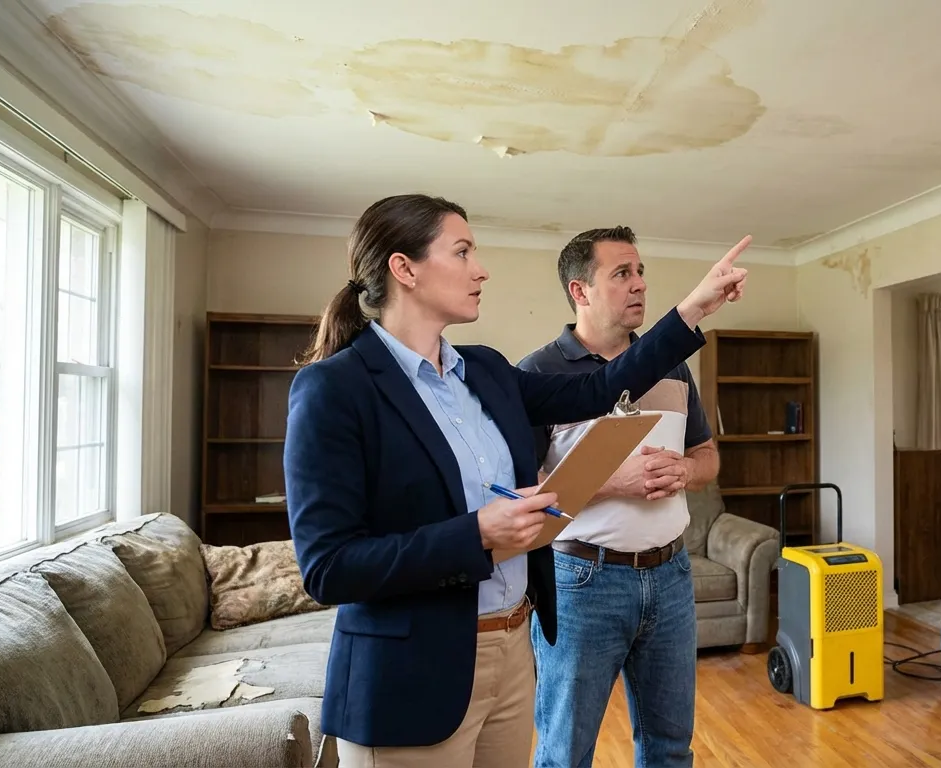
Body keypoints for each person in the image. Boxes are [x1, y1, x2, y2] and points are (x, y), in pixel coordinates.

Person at [282, 194, 750, 768]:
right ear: (404, 269)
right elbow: (328, 568)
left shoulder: (483, 370)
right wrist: (477, 531)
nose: (481, 268)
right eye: (462, 252)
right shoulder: (334, 388)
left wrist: (692, 310)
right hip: (416, 669)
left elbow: (599, 390)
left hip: (510, 647)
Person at [518, 226, 717, 767]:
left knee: (671, 750)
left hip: (672, 577)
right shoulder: (537, 374)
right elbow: (521, 496)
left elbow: (709, 458)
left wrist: (685, 469)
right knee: (565, 753)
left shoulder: (672, 365)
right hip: (582, 583)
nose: (639, 285)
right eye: (622, 274)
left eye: (641, 272)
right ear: (579, 291)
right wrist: (614, 480)